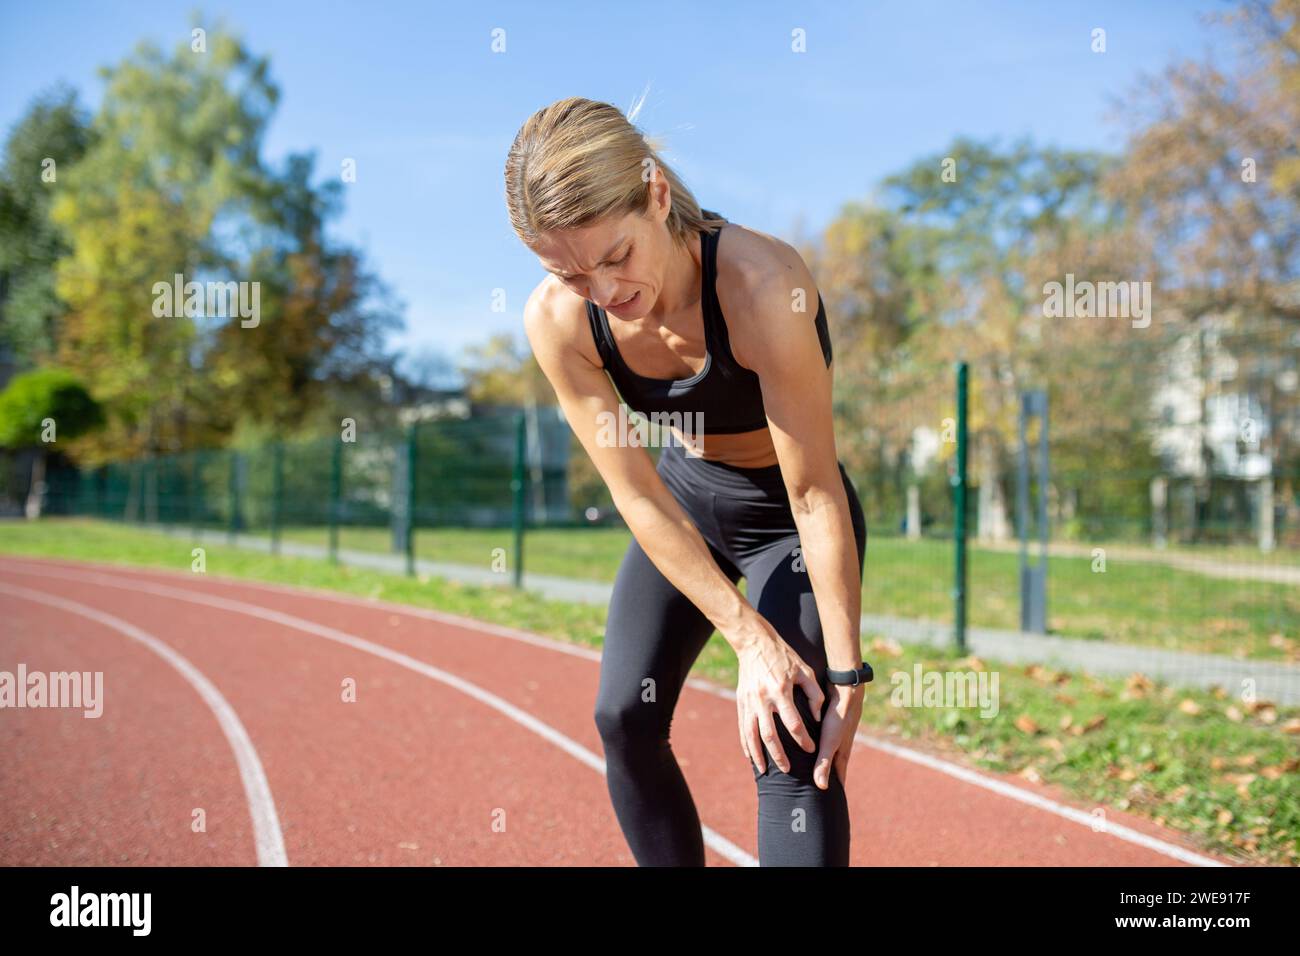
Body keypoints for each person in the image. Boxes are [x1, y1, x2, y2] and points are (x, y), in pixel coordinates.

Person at [504, 96, 870, 866]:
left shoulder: (762, 283)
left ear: (657, 196)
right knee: (622, 719)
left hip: (787, 518)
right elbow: (637, 494)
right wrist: (747, 637)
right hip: (685, 502)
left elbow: (813, 494)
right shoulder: (559, 322)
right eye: (569, 272)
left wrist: (845, 671)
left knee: (794, 741)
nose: (603, 290)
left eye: (615, 257)